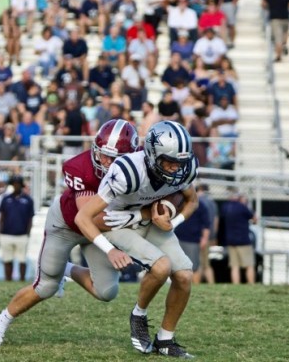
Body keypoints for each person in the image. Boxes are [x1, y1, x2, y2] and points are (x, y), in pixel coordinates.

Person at [0, 119, 139, 347]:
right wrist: (132, 220)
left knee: (107, 291)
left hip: (102, 227)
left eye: (112, 157)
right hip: (66, 225)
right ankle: (0, 321)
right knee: (46, 286)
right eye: (101, 153)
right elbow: (89, 217)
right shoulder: (80, 167)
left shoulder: (140, 163)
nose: (104, 160)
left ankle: (66, 269)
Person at [75, 120, 199, 357]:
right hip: (117, 225)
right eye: (170, 161)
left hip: (146, 221)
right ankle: (138, 315)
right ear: (152, 154)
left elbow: (192, 201)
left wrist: (173, 222)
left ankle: (165, 340)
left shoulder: (185, 167)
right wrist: (109, 249)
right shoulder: (128, 171)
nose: (175, 168)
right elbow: (84, 217)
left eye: (179, 162)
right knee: (161, 267)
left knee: (184, 275)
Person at [0, 175, 34, 282]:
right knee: (7, 259)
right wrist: (1, 231)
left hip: (22, 234)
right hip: (6, 234)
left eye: (18, 184)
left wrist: (28, 233)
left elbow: (30, 218)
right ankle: (8, 280)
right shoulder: (6, 199)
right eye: (14, 184)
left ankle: (22, 280)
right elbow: (2, 216)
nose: (16, 186)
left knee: (22, 260)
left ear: (21, 185)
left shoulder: (28, 200)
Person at [220, 194, 257, 284]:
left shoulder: (226, 207)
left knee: (234, 266)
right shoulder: (242, 207)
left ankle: (236, 285)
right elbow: (254, 219)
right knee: (249, 265)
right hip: (243, 240)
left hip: (230, 240)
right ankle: (251, 284)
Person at [174, 196, 211, 284]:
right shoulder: (178, 202)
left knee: (194, 266)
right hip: (177, 239)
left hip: (192, 240)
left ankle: (195, 286)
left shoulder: (199, 205)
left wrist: (205, 239)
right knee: (178, 267)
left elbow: (206, 224)